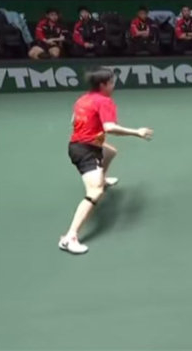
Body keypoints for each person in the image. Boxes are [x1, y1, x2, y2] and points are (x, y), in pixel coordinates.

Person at [60, 68, 153, 254]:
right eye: (111, 82)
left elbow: (73, 121)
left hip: (82, 144)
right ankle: (70, 237)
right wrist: (137, 132)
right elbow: (110, 127)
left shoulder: (83, 99)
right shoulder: (104, 101)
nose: (113, 85)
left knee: (110, 152)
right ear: (103, 85)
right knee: (95, 192)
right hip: (85, 151)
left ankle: (102, 178)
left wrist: (92, 133)